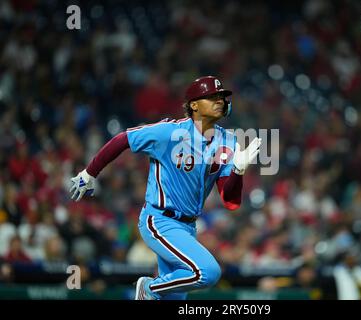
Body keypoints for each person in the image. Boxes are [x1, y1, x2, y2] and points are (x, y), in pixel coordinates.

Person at [69, 76, 262, 300]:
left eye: (222, 97)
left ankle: (153, 293)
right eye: (213, 96)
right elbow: (124, 139)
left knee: (175, 299)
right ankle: (148, 289)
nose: (220, 100)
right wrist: (90, 172)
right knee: (208, 272)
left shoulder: (228, 141)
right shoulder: (169, 132)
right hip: (159, 220)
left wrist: (238, 171)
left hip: (188, 227)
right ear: (194, 105)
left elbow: (230, 200)